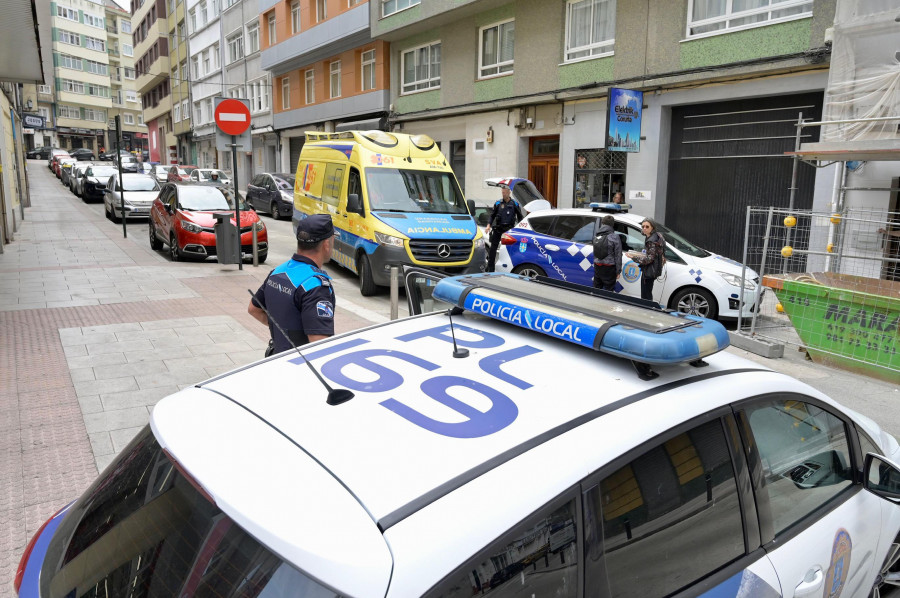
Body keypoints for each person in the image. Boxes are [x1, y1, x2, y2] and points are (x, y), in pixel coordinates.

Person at [248, 214, 336, 356]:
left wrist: (283, 335)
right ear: (326, 244)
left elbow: (254, 309)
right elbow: (319, 343)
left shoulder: (277, 272)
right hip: (301, 366)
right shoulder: (315, 285)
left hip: (277, 357)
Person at [485, 184, 524, 272]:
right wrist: (488, 226)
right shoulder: (498, 203)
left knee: (509, 249)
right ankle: (490, 268)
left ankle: (509, 268)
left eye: (505, 193)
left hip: (509, 230)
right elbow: (492, 216)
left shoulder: (514, 204)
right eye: (502, 192)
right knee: (492, 249)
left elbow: (520, 218)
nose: (503, 194)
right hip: (498, 229)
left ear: (509, 192)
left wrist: (520, 229)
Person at [631, 218, 666, 303]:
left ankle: (647, 312)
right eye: (643, 226)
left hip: (649, 270)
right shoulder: (657, 236)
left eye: (647, 226)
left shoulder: (651, 240)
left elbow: (649, 259)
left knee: (646, 295)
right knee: (647, 293)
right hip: (653, 269)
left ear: (652, 227)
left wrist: (634, 258)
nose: (644, 228)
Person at [593, 215, 622, 291]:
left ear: (602, 223)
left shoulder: (597, 234)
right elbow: (618, 255)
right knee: (609, 291)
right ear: (612, 225)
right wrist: (618, 271)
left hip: (597, 266)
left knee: (596, 289)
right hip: (609, 268)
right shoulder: (614, 237)